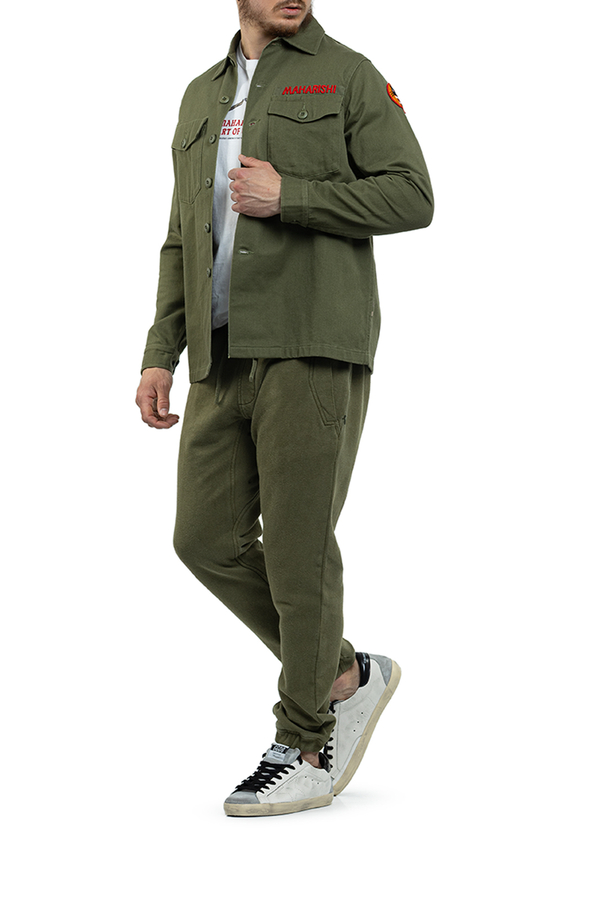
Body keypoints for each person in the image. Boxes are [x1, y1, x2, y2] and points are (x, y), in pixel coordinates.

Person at [135, 0, 433, 817]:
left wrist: (290, 194)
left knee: (300, 549)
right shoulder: (201, 95)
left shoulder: (346, 74)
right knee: (203, 539)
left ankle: (304, 741)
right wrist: (162, 351)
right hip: (220, 352)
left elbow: (412, 196)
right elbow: (182, 234)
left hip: (310, 340)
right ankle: (342, 673)